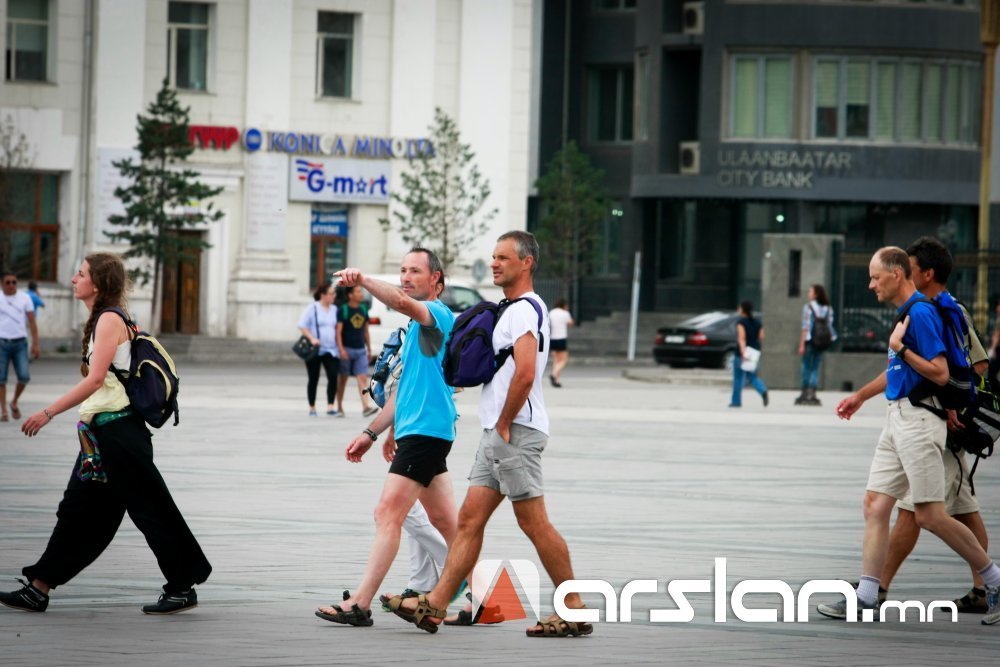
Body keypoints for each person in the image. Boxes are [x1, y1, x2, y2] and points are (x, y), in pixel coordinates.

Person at [385, 230, 590, 638]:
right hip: (498, 432)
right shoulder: (512, 308)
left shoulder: (524, 310)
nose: (494, 263)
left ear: (527, 263)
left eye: (503, 258)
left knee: (534, 523)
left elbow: (526, 373)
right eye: (493, 257)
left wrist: (505, 422)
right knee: (468, 521)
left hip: (515, 432)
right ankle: (435, 604)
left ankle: (574, 609)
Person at [0, 253, 211, 615]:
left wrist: (48, 412)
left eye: (80, 274)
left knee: (150, 509)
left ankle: (182, 586)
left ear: (97, 284)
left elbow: (95, 380)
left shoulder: (110, 319)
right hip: (102, 436)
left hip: (120, 434)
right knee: (78, 511)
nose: (73, 279)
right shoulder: (105, 318)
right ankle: (39, 588)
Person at [818, 246, 1000, 624]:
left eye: (875, 277)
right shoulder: (908, 313)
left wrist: (900, 347)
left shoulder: (920, 313)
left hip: (918, 422)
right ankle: (867, 597)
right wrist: (860, 396)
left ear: (896, 274)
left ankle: (994, 581)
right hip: (897, 417)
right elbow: (901, 371)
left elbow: (939, 372)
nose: (871, 285)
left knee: (930, 516)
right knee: (875, 504)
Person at [314, 247, 458, 627]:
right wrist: (372, 432)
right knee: (448, 524)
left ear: (436, 280)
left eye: (415, 271)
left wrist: (362, 280)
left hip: (426, 432)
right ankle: (486, 597)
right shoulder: (415, 330)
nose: (406, 277)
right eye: (402, 270)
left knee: (387, 513)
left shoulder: (436, 315)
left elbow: (399, 301)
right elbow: (404, 391)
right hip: (422, 431)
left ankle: (360, 603)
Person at [874, 237, 994, 613]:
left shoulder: (947, 310)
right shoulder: (919, 309)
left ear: (925, 274)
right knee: (960, 508)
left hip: (943, 424)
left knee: (919, 510)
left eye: (909, 268)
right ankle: (983, 587)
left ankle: (877, 587)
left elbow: (976, 366)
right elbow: (901, 370)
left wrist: (956, 407)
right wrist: (861, 396)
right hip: (931, 419)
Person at [1, 270, 40, 423]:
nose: (11, 285)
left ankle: (14, 401)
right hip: (2, 342)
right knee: (1, 379)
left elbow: (32, 322)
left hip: (20, 343)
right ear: (2, 284)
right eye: (8, 282)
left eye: (14, 282)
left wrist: (35, 344)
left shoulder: (25, 298)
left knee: (24, 376)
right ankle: (4, 411)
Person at [297, 282, 339, 417]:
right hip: (315, 349)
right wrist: (312, 338)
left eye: (334, 293)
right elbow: (302, 325)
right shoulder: (313, 308)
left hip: (331, 349)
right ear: (323, 295)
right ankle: (312, 407)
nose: (334, 296)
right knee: (313, 378)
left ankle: (330, 406)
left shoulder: (334, 309)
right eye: (331, 294)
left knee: (333, 376)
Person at [336, 284, 377, 418]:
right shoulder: (344, 310)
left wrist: (369, 349)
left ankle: (365, 406)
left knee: (362, 378)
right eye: (358, 292)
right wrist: (341, 349)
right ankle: (339, 406)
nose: (361, 294)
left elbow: (366, 331)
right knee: (343, 380)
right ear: (350, 295)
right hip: (346, 350)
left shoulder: (363, 309)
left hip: (360, 350)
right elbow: (338, 332)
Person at [796, 284, 835, 407]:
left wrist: (801, 344)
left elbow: (805, 326)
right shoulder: (828, 308)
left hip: (809, 340)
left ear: (816, 294)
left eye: (810, 291)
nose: (809, 294)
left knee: (806, 366)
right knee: (815, 367)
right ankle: (812, 393)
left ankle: (804, 392)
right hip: (821, 341)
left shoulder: (808, 307)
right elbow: (830, 325)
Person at [729, 301, 768, 408]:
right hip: (754, 353)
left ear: (743, 310)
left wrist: (743, 352)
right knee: (753, 377)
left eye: (740, 307)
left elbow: (742, 338)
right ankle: (763, 390)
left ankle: (736, 402)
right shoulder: (757, 322)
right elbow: (761, 337)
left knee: (738, 378)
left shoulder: (741, 323)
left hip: (742, 353)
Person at [548, 298, 574, 388]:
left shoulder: (551, 312)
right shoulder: (565, 313)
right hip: (561, 338)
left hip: (552, 338)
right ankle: (553, 374)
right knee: (564, 360)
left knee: (556, 360)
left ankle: (556, 380)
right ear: (564, 305)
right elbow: (570, 323)